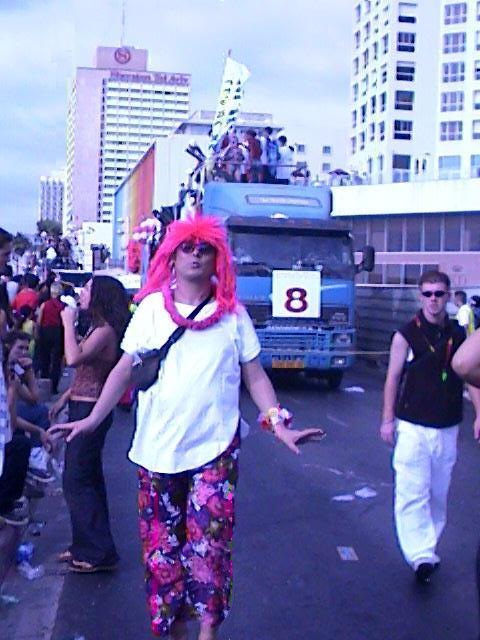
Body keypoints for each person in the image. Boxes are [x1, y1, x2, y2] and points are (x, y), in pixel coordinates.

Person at [50, 214, 322, 640]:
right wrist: (92, 417)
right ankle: (174, 629)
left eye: (204, 248)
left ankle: (207, 632)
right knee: (162, 550)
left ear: (218, 259)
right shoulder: (152, 310)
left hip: (216, 450)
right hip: (156, 451)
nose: (196, 255)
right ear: (171, 257)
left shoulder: (234, 316)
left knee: (210, 547)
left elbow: (255, 377)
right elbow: (124, 369)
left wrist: (278, 423)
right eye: (187, 247)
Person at [380, 270, 480, 584]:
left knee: (438, 492)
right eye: (427, 294)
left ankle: (428, 547)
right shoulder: (406, 334)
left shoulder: (458, 333)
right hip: (412, 424)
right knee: (413, 490)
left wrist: (479, 413)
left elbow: (471, 375)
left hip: (447, 424)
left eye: (438, 294)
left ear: (448, 295)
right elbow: (393, 378)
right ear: (420, 296)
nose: (433, 300)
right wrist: (387, 420)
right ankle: (419, 554)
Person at [49, 276, 130, 573]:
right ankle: (86, 545)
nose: (81, 293)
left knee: (77, 479)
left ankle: (96, 551)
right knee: (85, 478)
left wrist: (67, 323)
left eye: (87, 289)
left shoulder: (105, 330)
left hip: (90, 409)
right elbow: (85, 370)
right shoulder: (99, 328)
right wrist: (64, 398)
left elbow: (73, 358)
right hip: (81, 403)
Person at [36, 282, 65, 394]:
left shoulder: (44, 305)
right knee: (56, 360)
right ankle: (54, 386)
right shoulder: (63, 306)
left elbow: (39, 321)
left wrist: (37, 334)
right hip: (58, 332)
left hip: (45, 332)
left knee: (45, 358)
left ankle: (44, 382)